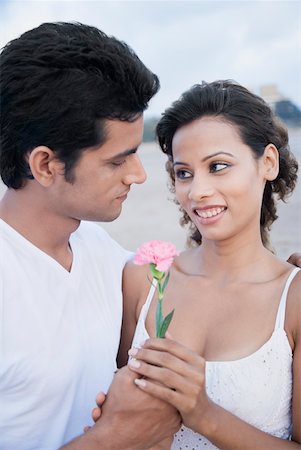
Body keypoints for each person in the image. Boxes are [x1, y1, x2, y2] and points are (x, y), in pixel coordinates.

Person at [0, 22, 181, 450]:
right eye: (119, 161)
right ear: (45, 165)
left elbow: (189, 288)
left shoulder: (100, 251)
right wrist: (114, 439)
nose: (138, 176)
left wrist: (277, 279)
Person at [117, 81, 301, 449]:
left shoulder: (294, 301)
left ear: (267, 162)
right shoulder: (144, 280)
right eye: (183, 173)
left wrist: (203, 414)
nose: (197, 191)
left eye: (217, 166)